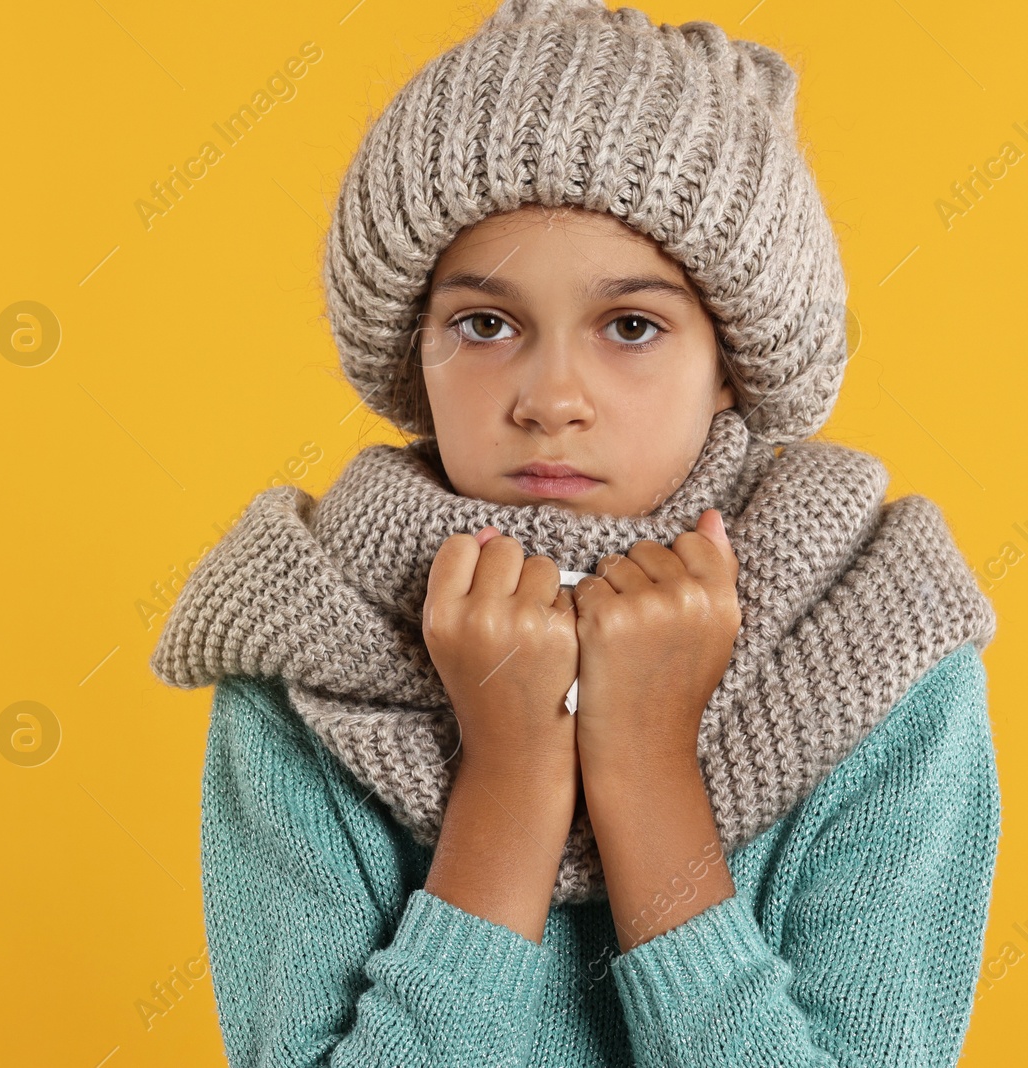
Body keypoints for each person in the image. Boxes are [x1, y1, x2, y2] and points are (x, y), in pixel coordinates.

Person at [149, 0, 1001, 1064]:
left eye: (632, 326)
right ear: (413, 347)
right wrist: (507, 782)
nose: (551, 396)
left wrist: (646, 773)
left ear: (732, 355)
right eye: (485, 324)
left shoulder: (874, 644)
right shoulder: (306, 648)